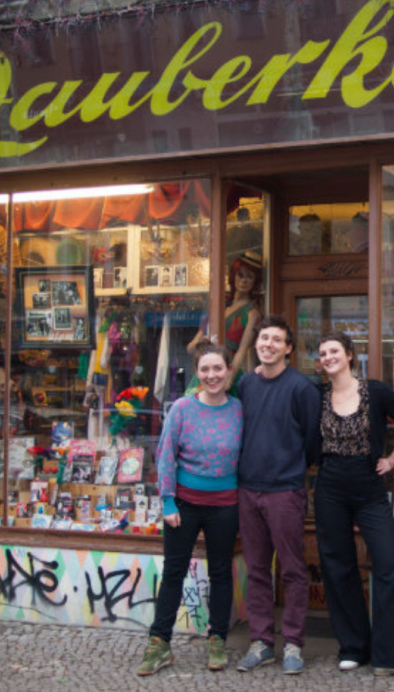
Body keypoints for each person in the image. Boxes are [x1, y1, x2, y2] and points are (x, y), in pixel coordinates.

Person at [313, 331, 394, 678]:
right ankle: (353, 647)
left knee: (388, 563)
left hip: (369, 487)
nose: (328, 357)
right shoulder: (316, 395)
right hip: (330, 486)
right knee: (337, 566)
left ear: (350, 355)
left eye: (334, 350)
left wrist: (391, 460)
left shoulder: (374, 391)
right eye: (322, 353)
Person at [136, 343, 243, 676]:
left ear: (228, 371)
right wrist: (167, 500)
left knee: (221, 573)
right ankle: (159, 643)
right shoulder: (182, 408)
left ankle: (218, 639)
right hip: (183, 505)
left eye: (218, 369)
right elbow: (166, 455)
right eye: (205, 369)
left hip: (225, 505)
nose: (212, 375)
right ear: (197, 373)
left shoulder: (239, 409)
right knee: (173, 573)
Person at [235, 315, 321, 675]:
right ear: (257, 344)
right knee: (256, 569)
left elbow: (313, 443)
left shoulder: (302, 388)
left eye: (276, 340)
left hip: (284, 490)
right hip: (248, 489)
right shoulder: (245, 385)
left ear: (288, 348)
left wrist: (292, 470)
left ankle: (294, 644)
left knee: (292, 570)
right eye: (263, 338)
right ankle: (261, 641)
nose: (267, 344)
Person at [187, 252, 263, 392]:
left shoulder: (252, 313)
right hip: (205, 371)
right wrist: (202, 341)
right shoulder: (219, 307)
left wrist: (228, 381)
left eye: (249, 277)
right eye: (240, 275)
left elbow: (241, 351)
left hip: (229, 372)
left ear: (255, 282)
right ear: (233, 276)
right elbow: (190, 348)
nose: (244, 281)